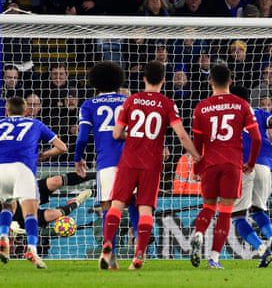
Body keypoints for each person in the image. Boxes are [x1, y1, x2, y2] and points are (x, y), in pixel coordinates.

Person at [100, 61, 200, 270]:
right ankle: (138, 256)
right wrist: (198, 157)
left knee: (117, 204)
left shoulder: (131, 100)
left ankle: (108, 243)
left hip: (128, 161)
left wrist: (135, 136)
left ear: (144, 78)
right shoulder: (167, 103)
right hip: (151, 164)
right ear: (163, 80)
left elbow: (116, 134)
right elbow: (181, 135)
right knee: (145, 210)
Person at [0, 96, 68, 268]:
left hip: (0, 170)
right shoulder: (35, 124)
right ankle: (32, 250)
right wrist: (43, 156)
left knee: (7, 206)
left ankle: (4, 236)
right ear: (26, 111)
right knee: (30, 213)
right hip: (23, 169)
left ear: (7, 110)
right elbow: (62, 147)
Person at [189, 64, 261, 269]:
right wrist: (251, 163)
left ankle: (199, 233)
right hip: (232, 164)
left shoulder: (201, 107)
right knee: (226, 212)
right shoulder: (242, 105)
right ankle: (214, 258)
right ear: (231, 81)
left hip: (210, 164)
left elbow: (198, 145)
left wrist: (196, 170)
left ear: (210, 81)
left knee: (208, 207)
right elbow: (256, 139)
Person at [73, 61, 131, 269]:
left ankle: (109, 251)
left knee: (108, 207)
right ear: (118, 81)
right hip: (132, 162)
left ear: (95, 83)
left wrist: (78, 158)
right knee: (133, 205)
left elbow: (81, 138)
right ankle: (139, 252)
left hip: (106, 163)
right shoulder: (128, 101)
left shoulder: (89, 105)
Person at [0, 150, 93, 231]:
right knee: (54, 215)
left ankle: (96, 175)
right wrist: (8, 224)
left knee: (55, 181)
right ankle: (76, 201)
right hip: (16, 215)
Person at [230, 86, 272, 268]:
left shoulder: (230, 117)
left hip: (244, 167)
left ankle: (263, 249)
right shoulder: (260, 114)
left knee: (238, 216)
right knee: (258, 210)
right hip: (264, 166)